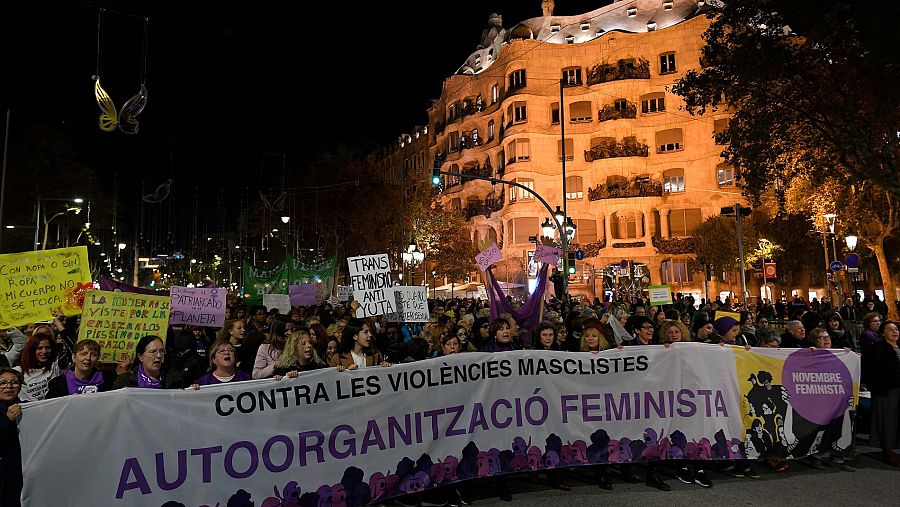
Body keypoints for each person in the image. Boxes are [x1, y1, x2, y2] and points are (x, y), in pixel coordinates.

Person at [862, 320, 900, 466]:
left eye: (896, 329)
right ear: (883, 333)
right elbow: (870, 368)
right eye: (890, 330)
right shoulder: (877, 348)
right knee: (887, 420)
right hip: (886, 391)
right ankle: (887, 450)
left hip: (898, 389)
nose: (894, 332)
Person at [46, 339, 116, 397]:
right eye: (83, 354)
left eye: (93, 354)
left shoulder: (108, 379)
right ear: (74, 357)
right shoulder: (58, 384)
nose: (88, 358)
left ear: (97, 359)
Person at [114, 335, 179, 389]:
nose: (159, 355)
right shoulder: (125, 381)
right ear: (140, 357)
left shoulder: (173, 379)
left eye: (161, 351)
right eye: (153, 351)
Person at [0, 367, 24, 506]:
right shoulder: (8, 415)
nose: (9, 386)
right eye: (3, 383)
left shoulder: (28, 409)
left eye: (14, 382)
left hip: (19, 475)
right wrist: (7, 420)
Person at [14, 332, 60, 401]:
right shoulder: (19, 371)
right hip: (30, 410)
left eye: (47, 348)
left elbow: (73, 349)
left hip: (54, 408)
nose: (44, 351)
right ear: (31, 350)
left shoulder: (55, 365)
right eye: (39, 348)